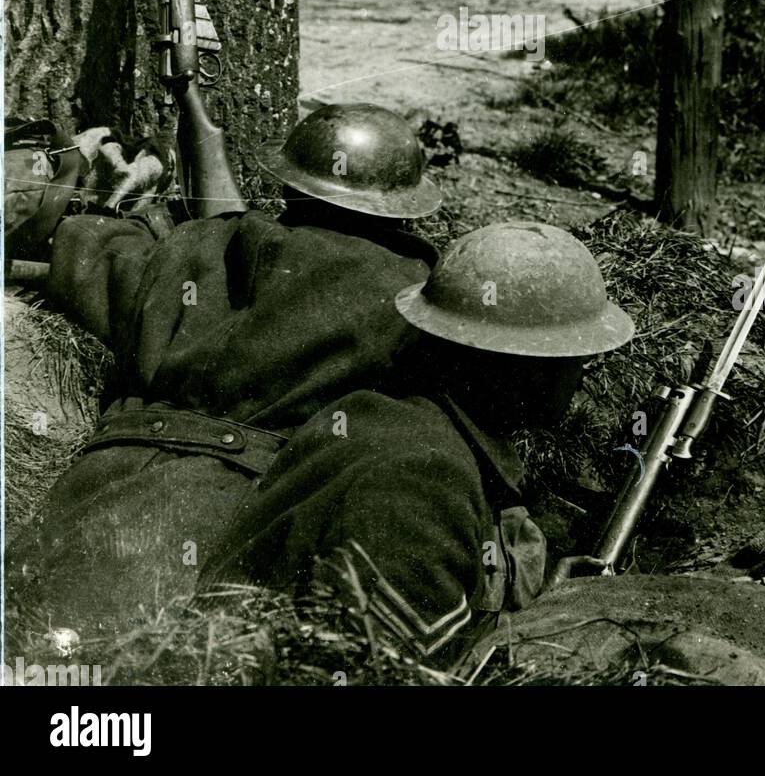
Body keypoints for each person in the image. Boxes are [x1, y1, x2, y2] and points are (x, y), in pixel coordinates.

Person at [8, 103, 442, 640]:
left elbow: (96, 264)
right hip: (238, 518)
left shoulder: (202, 244)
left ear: (287, 187)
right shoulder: (415, 295)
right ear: (403, 210)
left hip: (94, 490)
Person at [202, 221, 635, 662]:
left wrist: (542, 610)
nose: (585, 375)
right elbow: (396, 668)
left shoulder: (385, 418)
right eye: (577, 356)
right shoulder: (422, 483)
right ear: (530, 370)